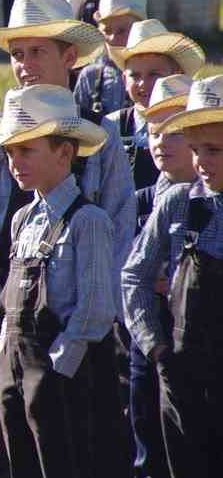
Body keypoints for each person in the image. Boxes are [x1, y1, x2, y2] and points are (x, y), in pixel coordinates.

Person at [0, 0, 135, 477]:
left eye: (37, 51)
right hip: (17, 300)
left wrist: (100, 313)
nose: (25, 65)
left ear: (69, 56)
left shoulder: (100, 135)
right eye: (17, 54)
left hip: (82, 303)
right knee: (11, 431)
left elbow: (120, 222)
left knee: (80, 438)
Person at [0, 83, 116, 477]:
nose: (14, 162)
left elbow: (95, 307)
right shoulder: (21, 219)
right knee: (16, 458)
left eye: (26, 150)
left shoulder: (88, 221)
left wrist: (60, 366)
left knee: (59, 462)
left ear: (64, 153)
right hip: (13, 362)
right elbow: (11, 296)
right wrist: (5, 354)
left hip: (57, 368)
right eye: (9, 153)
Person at [122, 74, 223, 478]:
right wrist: (156, 348)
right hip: (183, 376)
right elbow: (135, 276)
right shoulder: (178, 203)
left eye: (214, 150)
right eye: (196, 150)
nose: (201, 162)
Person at [127, 74, 195, 478]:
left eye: (174, 133)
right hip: (147, 336)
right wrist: (152, 346)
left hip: (200, 337)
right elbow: (128, 272)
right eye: (154, 132)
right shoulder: (140, 202)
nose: (160, 142)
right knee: (146, 431)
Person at [107, 19, 205, 191]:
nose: (143, 84)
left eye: (154, 74)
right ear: (124, 80)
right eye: (135, 76)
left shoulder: (196, 122)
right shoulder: (111, 127)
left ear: (178, 73)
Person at [73, 0, 144, 123]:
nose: (113, 38)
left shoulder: (150, 73)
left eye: (122, 31)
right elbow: (78, 125)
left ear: (137, 29)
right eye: (107, 31)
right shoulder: (90, 76)